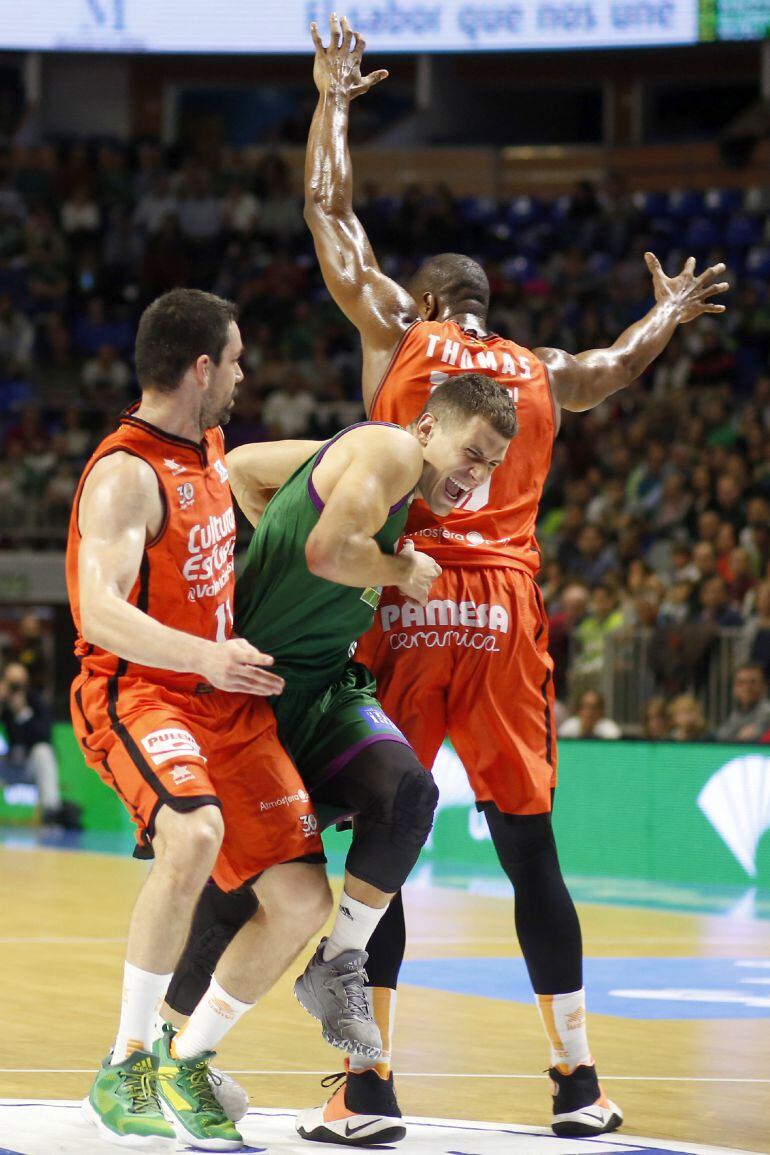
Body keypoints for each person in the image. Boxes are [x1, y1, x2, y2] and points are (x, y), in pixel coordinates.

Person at [295, 14, 729, 1144]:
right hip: (509, 613)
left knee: (381, 844)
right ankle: (579, 1084)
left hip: (411, 590)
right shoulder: (536, 371)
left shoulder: (404, 334)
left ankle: (366, 1084)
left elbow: (329, 216)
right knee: (529, 849)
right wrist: (667, 312)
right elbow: (613, 370)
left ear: (431, 306)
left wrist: (334, 102)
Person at [163, 374, 517, 1145]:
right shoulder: (388, 449)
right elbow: (327, 551)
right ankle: (164, 1055)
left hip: (324, 688)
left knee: (409, 793)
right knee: (234, 905)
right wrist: (398, 571)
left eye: (491, 465)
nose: (476, 473)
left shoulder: (366, 461)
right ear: (426, 429)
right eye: (471, 451)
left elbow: (245, 467)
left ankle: (340, 961)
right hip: (257, 704)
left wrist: (267, 542)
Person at [67, 287, 332, 1151]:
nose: (247, 374)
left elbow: (310, 466)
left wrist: (389, 451)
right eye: (239, 358)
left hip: (224, 701)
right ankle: (127, 1059)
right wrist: (206, 654)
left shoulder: (212, 448)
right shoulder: (122, 475)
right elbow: (96, 611)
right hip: (139, 691)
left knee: (300, 898)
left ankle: (189, 1056)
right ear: (202, 367)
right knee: (192, 835)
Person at [0, 660, 81, 828]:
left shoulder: (36, 702)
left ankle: (50, 812)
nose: (15, 689)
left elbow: (44, 736)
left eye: (19, 684)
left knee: (42, 751)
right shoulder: (3, 702)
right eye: (11, 684)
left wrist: (22, 712)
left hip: (31, 766)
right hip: (9, 764)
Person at [715, 664, 770, 742]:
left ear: (764, 687)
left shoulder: (767, 712)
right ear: (734, 688)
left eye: (753, 682)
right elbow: (721, 736)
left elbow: (751, 737)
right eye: (741, 683)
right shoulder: (735, 713)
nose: (747, 687)